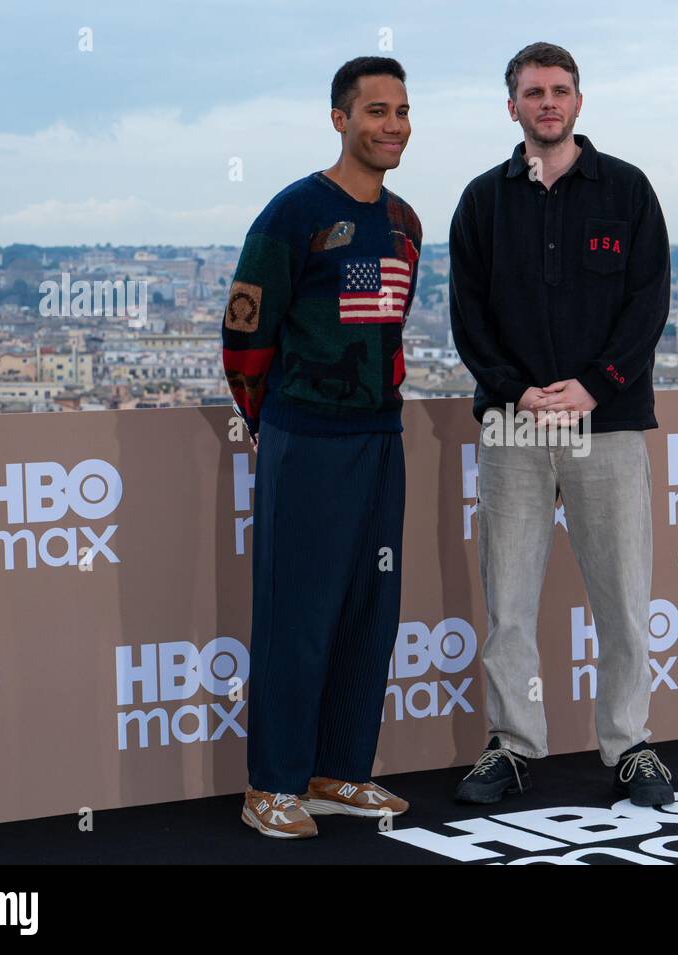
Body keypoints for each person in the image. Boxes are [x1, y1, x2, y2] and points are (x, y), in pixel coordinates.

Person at [448, 42, 675, 807]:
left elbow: (648, 303)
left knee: (624, 597)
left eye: (560, 90)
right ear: (511, 105)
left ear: (579, 100)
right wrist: (517, 392)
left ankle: (630, 743)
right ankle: (511, 744)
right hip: (514, 423)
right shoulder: (482, 201)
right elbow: (467, 316)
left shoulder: (628, 190)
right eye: (533, 91)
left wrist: (595, 386)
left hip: (606, 421)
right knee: (509, 600)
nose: (547, 102)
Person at [222, 56, 421, 839]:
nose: (392, 125)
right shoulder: (292, 212)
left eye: (402, 111)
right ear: (340, 119)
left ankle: (340, 770)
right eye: (376, 111)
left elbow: (391, 335)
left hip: (381, 436)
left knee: (371, 608)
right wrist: (276, 421)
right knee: (295, 612)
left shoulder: (405, 222)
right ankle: (272, 783)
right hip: (305, 439)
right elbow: (245, 331)